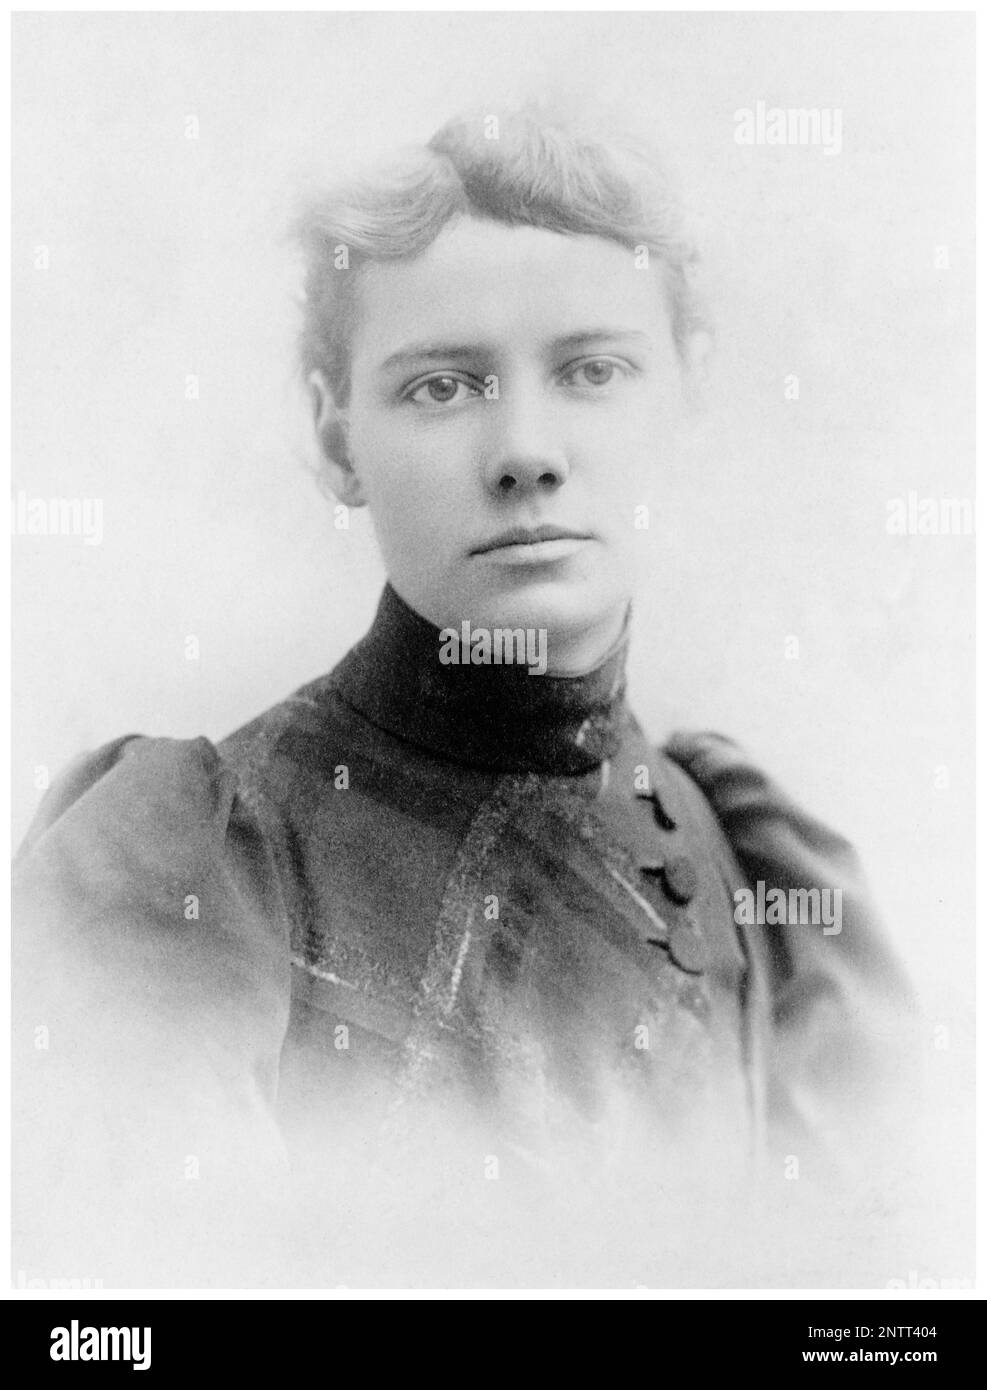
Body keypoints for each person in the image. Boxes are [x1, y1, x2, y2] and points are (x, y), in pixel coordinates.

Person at [13, 104, 914, 1288]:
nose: (525, 449)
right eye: (443, 387)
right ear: (339, 439)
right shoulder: (196, 867)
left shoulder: (755, 867)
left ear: (681, 401)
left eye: (594, 370)